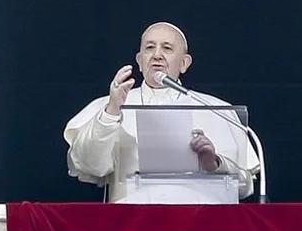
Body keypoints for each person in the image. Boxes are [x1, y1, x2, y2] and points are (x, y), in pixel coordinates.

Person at [63, 21, 260, 203]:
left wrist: (214, 162)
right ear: (140, 61)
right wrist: (112, 112)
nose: (157, 55)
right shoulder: (110, 105)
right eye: (150, 48)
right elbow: (89, 165)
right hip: (132, 226)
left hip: (200, 226)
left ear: (184, 63)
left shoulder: (216, 109)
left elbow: (244, 188)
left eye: (167, 48)